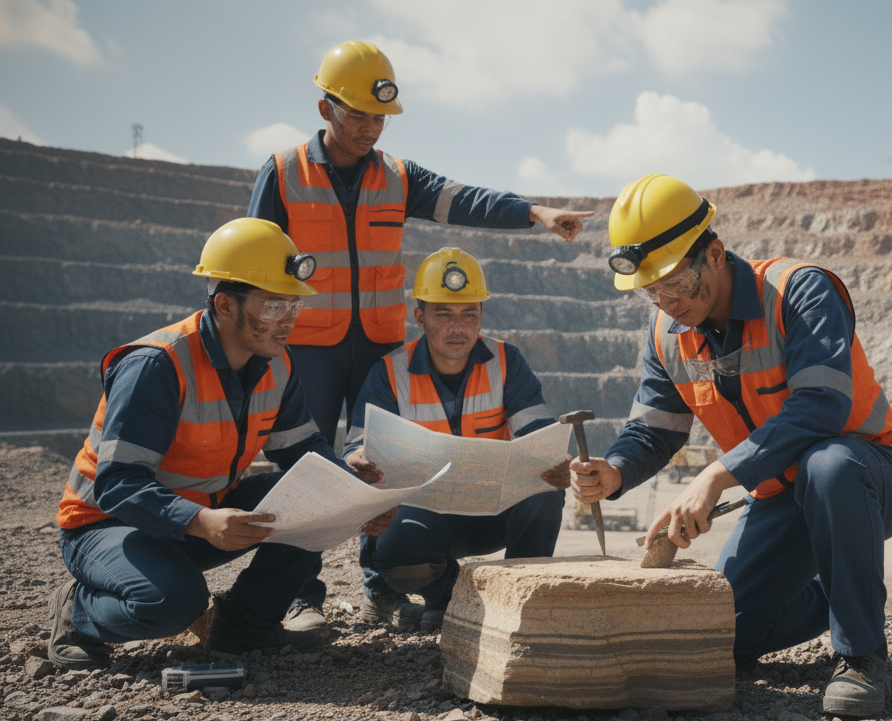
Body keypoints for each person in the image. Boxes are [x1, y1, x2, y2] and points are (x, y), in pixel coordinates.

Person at [247, 40, 592, 632]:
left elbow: (466, 201)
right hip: (309, 347)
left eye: (379, 117)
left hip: (378, 343)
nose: (371, 129)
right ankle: (302, 595)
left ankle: (382, 586)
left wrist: (532, 212)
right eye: (358, 115)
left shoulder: (398, 177)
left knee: (377, 465)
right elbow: (252, 259)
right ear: (325, 107)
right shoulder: (282, 175)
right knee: (304, 465)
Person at [569, 174, 892, 717]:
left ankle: (862, 655)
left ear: (714, 253)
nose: (666, 301)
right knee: (724, 637)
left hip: (869, 474)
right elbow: (654, 430)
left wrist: (715, 476)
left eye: (676, 284)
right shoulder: (666, 332)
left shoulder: (799, 290)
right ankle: (843, 590)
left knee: (827, 465)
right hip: (784, 497)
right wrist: (614, 472)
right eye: (650, 291)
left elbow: (822, 408)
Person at [47, 218, 395, 670]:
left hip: (200, 515)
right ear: (225, 305)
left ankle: (245, 625)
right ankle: (78, 612)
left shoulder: (277, 363)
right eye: (273, 306)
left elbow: (305, 454)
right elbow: (116, 483)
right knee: (174, 605)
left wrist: (356, 498)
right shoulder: (157, 365)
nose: (288, 320)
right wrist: (199, 519)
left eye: (293, 305)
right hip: (106, 524)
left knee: (316, 495)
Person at [343, 248, 570, 633]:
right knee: (398, 552)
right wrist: (359, 460)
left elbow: (536, 431)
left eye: (469, 314)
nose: (458, 327)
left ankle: (517, 602)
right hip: (424, 514)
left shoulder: (506, 361)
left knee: (545, 491)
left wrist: (550, 460)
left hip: (491, 512)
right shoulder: (389, 372)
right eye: (443, 314)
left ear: (482, 316)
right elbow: (356, 447)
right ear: (420, 317)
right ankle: (449, 599)